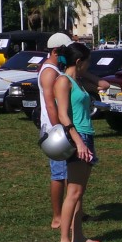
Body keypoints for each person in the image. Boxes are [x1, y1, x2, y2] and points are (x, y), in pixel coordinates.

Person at [55, 42, 103, 242]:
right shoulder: (63, 82)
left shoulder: (78, 81)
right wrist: (79, 142)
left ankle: (79, 236)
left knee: (79, 192)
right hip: (77, 138)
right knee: (73, 192)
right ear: (78, 61)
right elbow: (63, 115)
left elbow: (105, 85)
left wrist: (85, 72)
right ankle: (64, 241)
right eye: (87, 61)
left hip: (87, 135)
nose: (89, 65)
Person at [39, 32, 74, 229]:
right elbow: (50, 104)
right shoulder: (49, 72)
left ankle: (72, 212)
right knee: (59, 175)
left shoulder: (56, 69)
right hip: (54, 129)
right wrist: (59, 129)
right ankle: (57, 217)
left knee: (69, 172)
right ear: (55, 51)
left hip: (60, 127)